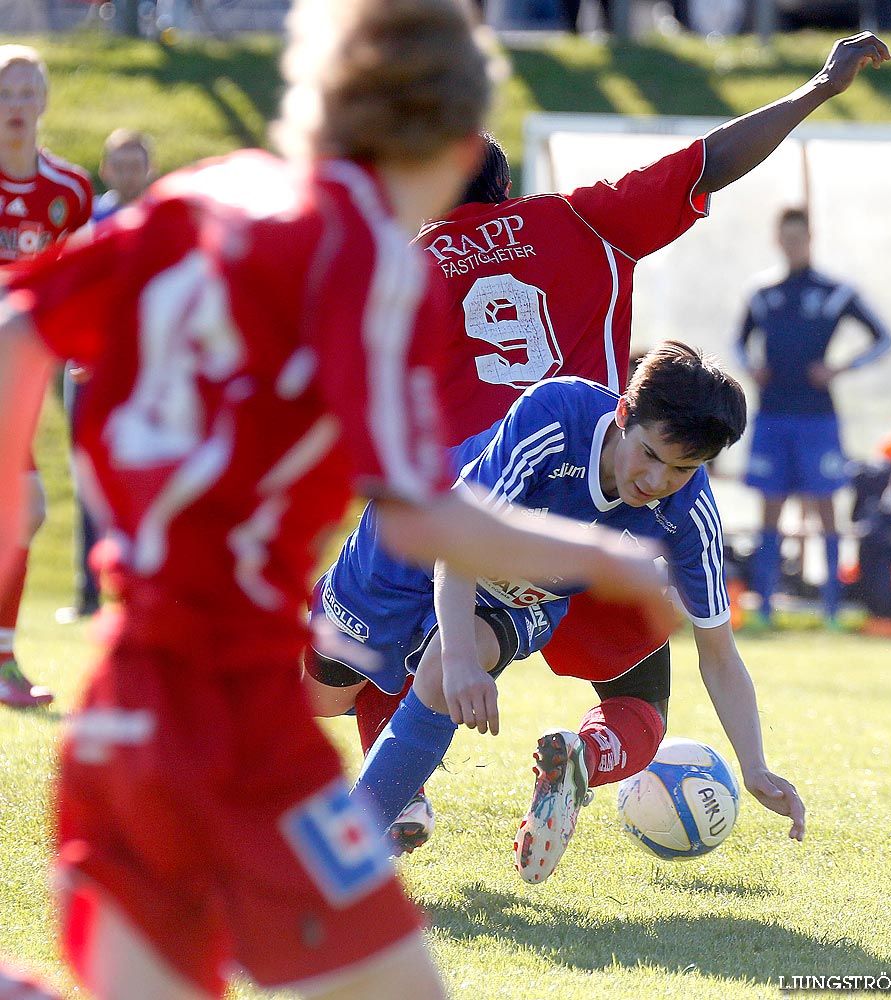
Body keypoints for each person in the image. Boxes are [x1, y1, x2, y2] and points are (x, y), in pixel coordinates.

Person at [0, 1, 673, 997]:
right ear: (448, 140)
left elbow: (21, 327)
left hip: (124, 698)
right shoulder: (362, 267)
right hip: (228, 713)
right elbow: (417, 514)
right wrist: (606, 557)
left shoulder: (205, 193)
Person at [332, 30, 891, 848]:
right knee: (637, 703)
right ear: (506, 185)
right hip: (605, 504)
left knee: (381, 661)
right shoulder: (582, 220)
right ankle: (586, 754)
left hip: (469, 501)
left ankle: (391, 801)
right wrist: (814, 88)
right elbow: (707, 163)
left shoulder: (402, 264)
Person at [307, 343, 805, 883]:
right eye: (650, 454)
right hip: (415, 543)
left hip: (517, 592)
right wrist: (458, 659)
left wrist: (754, 766)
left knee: (443, 672)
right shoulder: (557, 416)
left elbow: (719, 654)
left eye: (683, 469)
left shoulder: (690, 515)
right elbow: (459, 540)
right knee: (323, 696)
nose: (658, 481)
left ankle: (346, 859)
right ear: (623, 414)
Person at [735, 206, 891, 630]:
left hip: (817, 418)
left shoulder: (834, 291)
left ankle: (831, 609)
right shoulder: (763, 292)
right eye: (786, 237)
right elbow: (737, 342)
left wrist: (839, 369)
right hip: (772, 414)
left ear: (810, 238)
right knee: (770, 511)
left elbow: (883, 339)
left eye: (799, 237)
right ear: (777, 239)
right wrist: (750, 367)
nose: (793, 244)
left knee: (826, 509)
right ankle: (764, 607)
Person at [0, 45, 93, 708]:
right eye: (7, 92)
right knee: (25, 508)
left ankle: (3, 660)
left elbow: (82, 280)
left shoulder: (68, 191)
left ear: (47, 101)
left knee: (21, 511)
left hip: (22, 378)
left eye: (30, 91)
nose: (19, 106)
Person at [56, 128, 156, 626]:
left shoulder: (167, 220)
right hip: (87, 369)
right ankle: (88, 594)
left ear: (150, 167)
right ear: (106, 167)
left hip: (148, 373)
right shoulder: (88, 219)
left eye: (136, 161)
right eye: (120, 161)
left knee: (147, 478)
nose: (128, 170)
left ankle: (140, 596)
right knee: (89, 480)